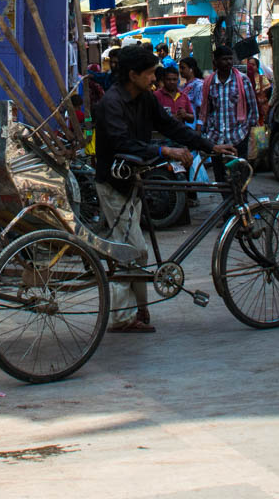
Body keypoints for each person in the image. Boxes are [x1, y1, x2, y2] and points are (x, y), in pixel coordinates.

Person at [92, 45, 231, 332]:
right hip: (113, 184)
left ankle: (138, 310)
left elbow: (171, 126)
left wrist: (209, 146)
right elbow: (122, 143)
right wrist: (165, 150)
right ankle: (122, 317)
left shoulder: (145, 99)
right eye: (150, 74)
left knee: (132, 248)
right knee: (132, 250)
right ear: (132, 75)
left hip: (134, 181)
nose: (155, 80)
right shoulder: (111, 104)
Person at [199, 44, 259, 157]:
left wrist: (246, 130)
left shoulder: (242, 80)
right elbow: (206, 109)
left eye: (230, 58)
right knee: (219, 173)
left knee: (240, 171)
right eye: (224, 59)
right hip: (216, 139)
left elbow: (253, 108)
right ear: (216, 61)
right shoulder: (209, 82)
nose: (228, 62)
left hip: (238, 137)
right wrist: (208, 129)